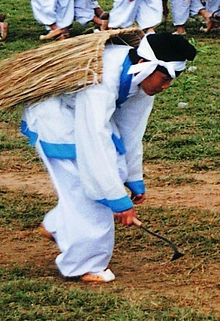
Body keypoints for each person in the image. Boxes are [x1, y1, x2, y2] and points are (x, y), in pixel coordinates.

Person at [20, 33, 197, 283]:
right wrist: (116, 198)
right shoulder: (100, 76)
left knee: (112, 171)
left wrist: (133, 177)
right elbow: (94, 140)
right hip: (54, 117)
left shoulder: (142, 79)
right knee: (89, 194)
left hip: (81, 116)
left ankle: (58, 224)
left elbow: (132, 130)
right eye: (165, 78)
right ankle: (84, 264)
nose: (166, 86)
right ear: (146, 65)